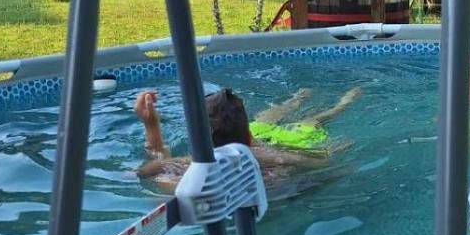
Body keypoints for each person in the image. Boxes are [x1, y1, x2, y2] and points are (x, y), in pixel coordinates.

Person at [134, 84, 361, 194]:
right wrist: (272, 156)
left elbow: (152, 167)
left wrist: (151, 125)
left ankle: (298, 98)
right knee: (311, 121)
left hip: (257, 146)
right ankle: (340, 102)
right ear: (248, 137)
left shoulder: (185, 175)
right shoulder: (273, 170)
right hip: (272, 148)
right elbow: (325, 163)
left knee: (267, 119)